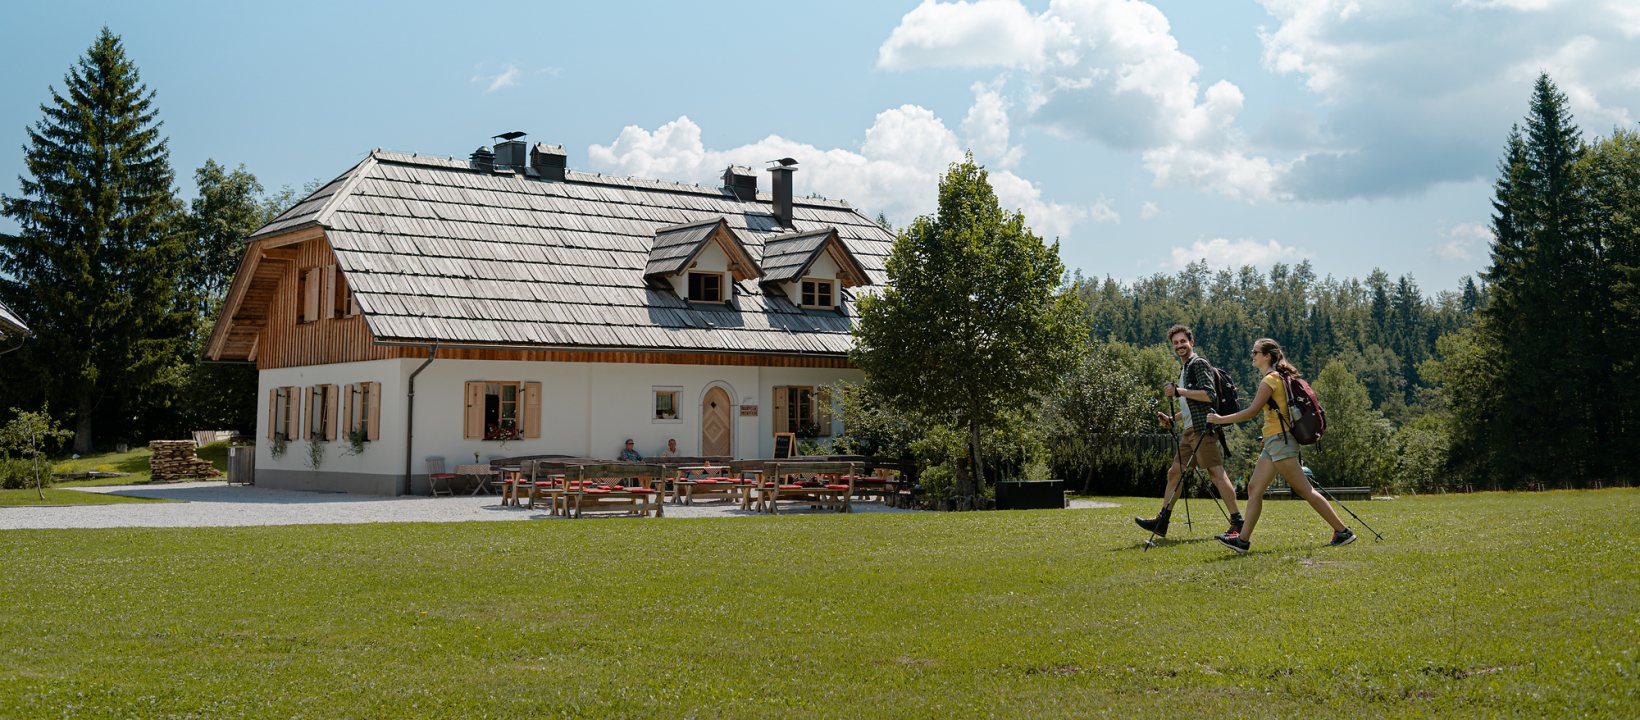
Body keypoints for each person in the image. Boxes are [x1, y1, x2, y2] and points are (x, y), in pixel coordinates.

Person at [1207, 338, 1355, 552]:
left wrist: (1220, 419)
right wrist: (1267, 436)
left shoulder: (1270, 380)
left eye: (1255, 352)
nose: (1252, 355)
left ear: (1267, 356)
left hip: (1280, 442)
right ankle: (1243, 541)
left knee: (1305, 490)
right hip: (1274, 441)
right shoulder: (1279, 378)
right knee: (1254, 488)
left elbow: (1251, 412)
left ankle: (1342, 531)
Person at [1135, 324, 1244, 539]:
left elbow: (1209, 395)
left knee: (1215, 473)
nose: (1179, 346)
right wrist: (1172, 419)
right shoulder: (1184, 368)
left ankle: (1238, 522)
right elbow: (1190, 405)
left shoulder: (1198, 363)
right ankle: (1162, 521)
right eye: (1175, 343)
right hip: (1188, 430)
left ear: (1191, 342)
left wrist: (1178, 391)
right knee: (1174, 472)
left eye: (1183, 341)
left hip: (1202, 429)